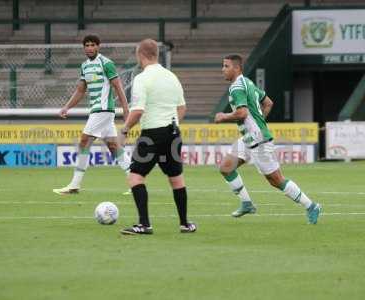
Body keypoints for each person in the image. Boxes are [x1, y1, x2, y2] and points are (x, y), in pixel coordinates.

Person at [214, 54, 321, 224]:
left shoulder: (237, 87)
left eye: (226, 66)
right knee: (226, 167)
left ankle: (311, 206)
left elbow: (242, 113)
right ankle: (247, 203)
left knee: (276, 180)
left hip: (259, 141)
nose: (223, 70)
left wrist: (223, 116)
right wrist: (258, 122)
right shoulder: (247, 82)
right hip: (249, 138)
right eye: (223, 66)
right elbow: (268, 102)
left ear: (236, 68)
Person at [119, 39, 196, 235]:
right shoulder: (171, 76)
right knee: (176, 179)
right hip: (173, 133)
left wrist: (125, 130)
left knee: (136, 176)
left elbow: (137, 111)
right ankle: (185, 223)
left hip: (152, 134)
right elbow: (182, 107)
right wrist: (173, 125)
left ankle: (144, 224)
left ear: (141, 55)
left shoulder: (142, 79)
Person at [53, 35, 131, 195]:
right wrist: (66, 107)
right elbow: (81, 90)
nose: (89, 48)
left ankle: (75, 185)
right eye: (87, 45)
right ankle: (135, 182)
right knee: (114, 147)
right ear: (84, 48)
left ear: (98, 46)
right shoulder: (84, 66)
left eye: (92, 45)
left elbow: (118, 86)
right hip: (98, 111)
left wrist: (125, 109)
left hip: (102, 109)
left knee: (84, 142)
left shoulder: (106, 63)